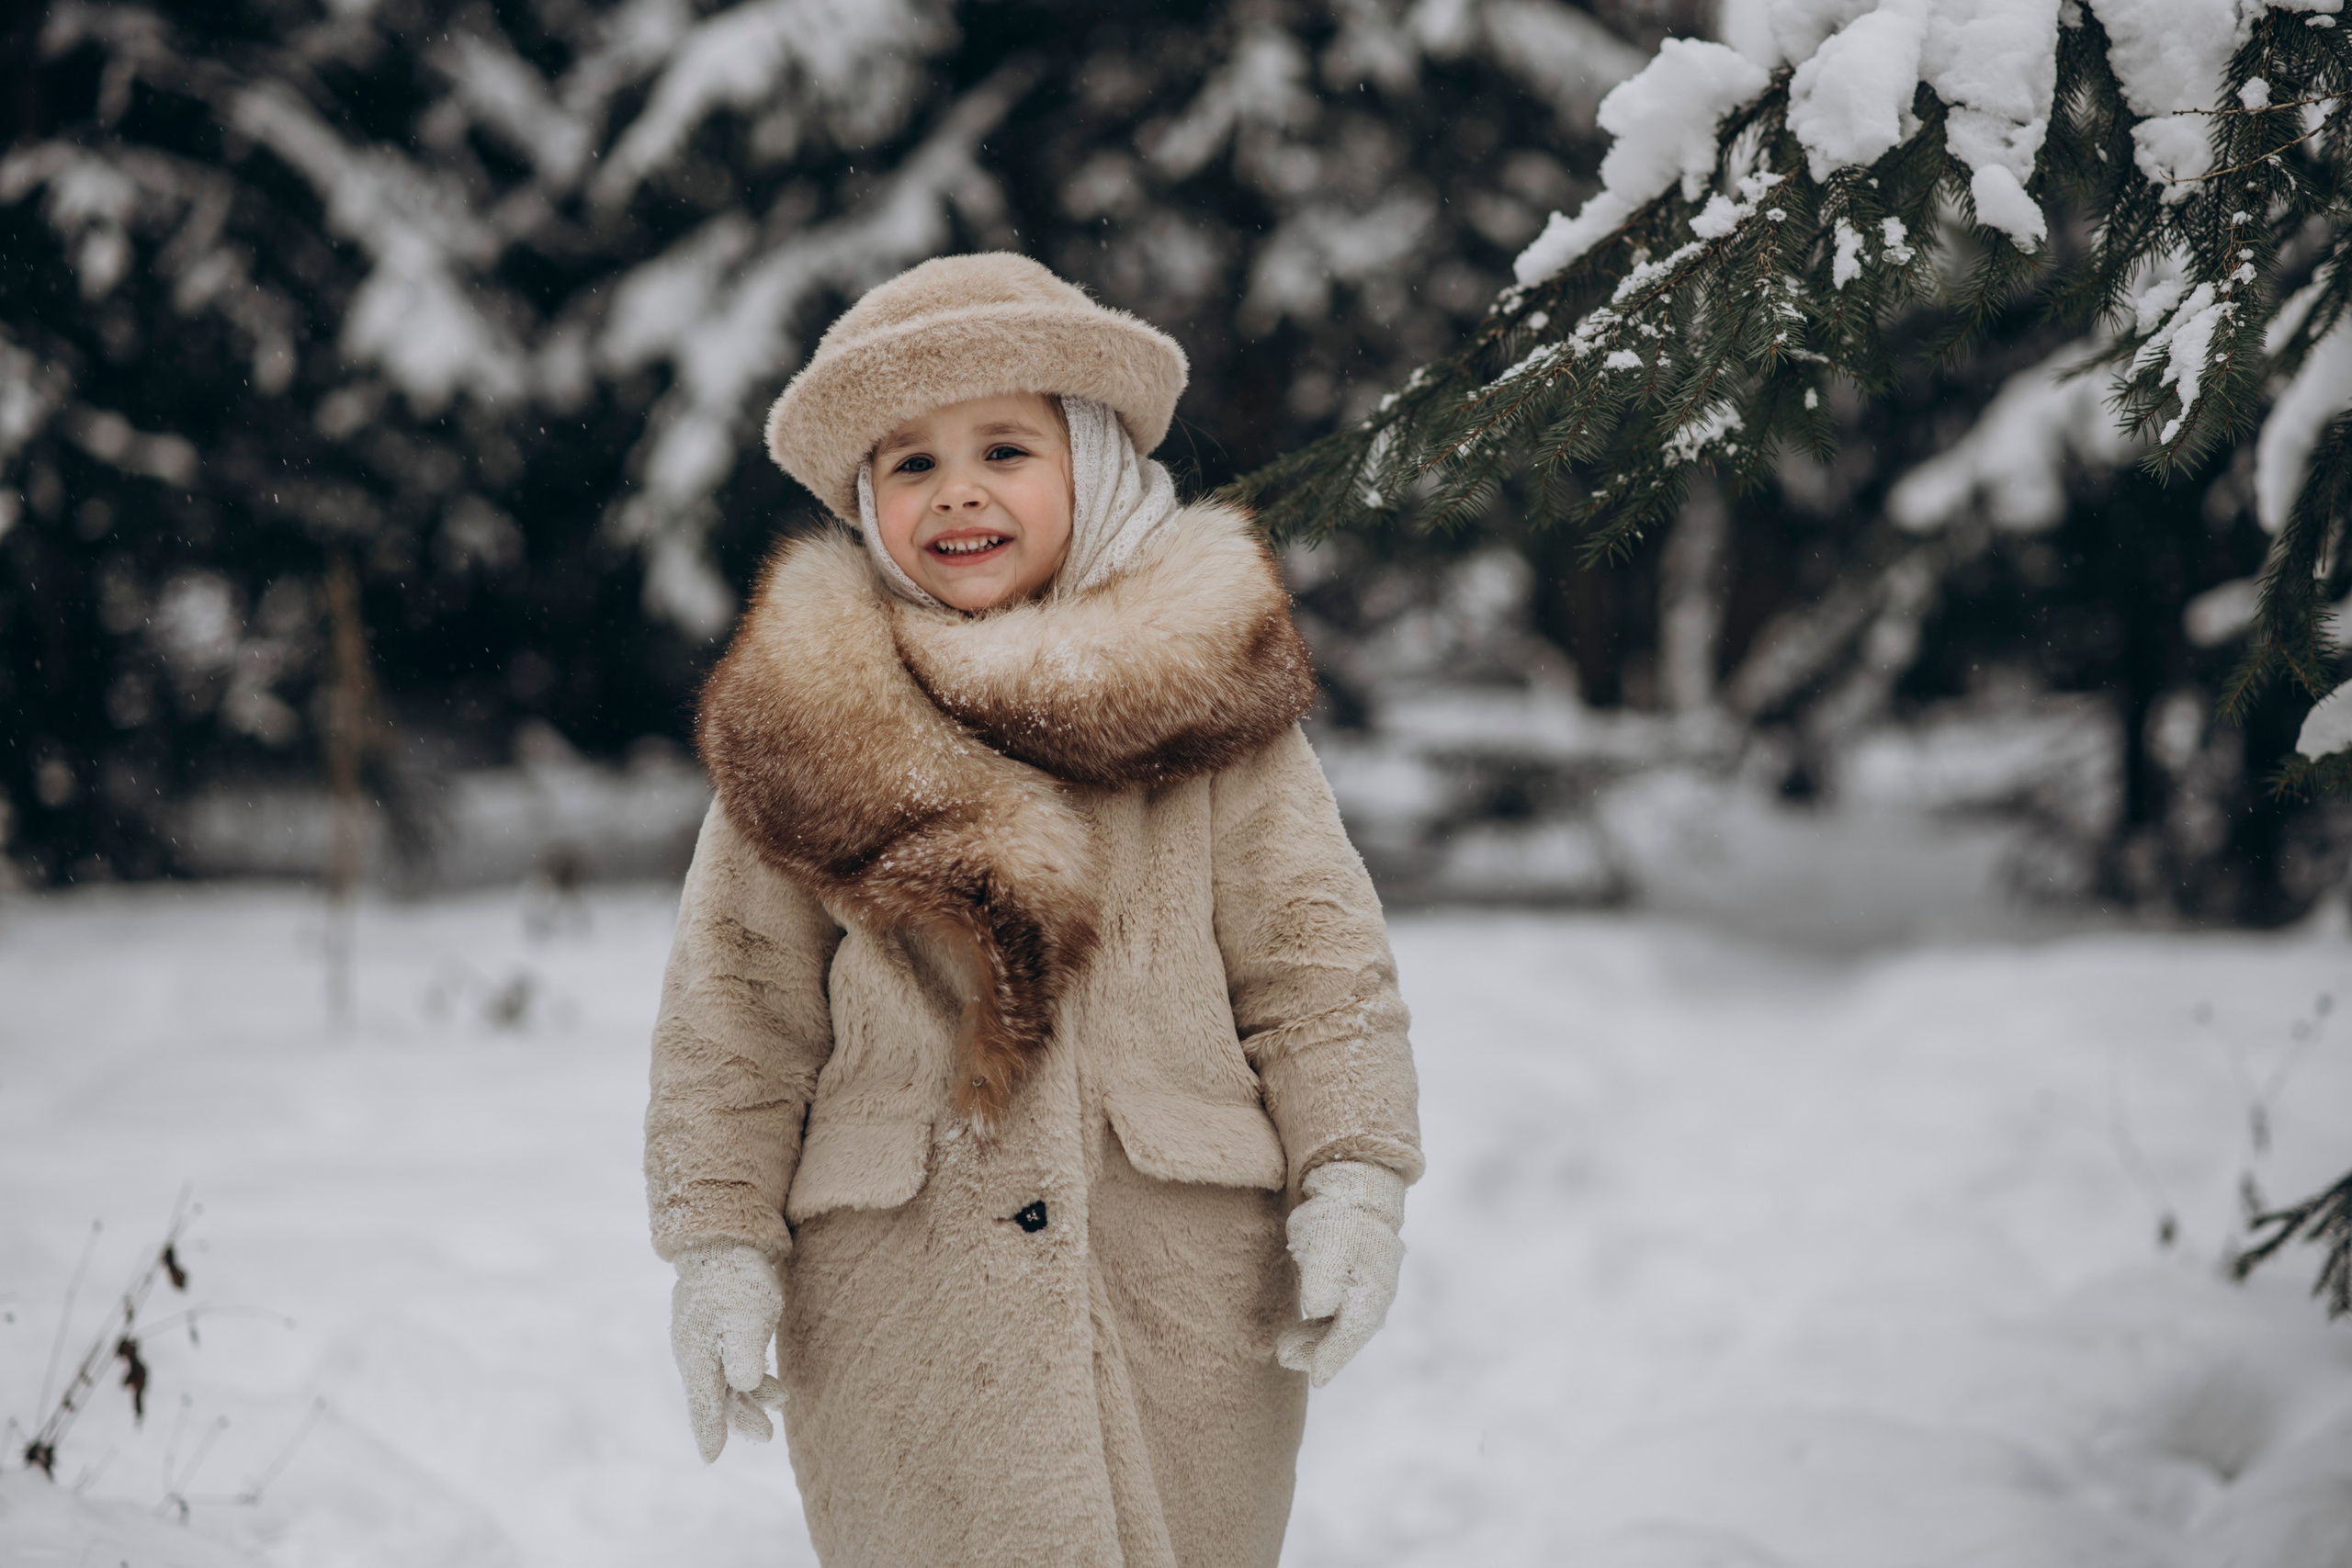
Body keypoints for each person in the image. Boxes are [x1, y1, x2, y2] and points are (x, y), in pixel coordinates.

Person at [643, 253, 1421, 1568]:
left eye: (1005, 448)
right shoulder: (806, 731)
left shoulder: (1209, 709)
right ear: (865, 501)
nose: (957, 490)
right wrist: (717, 1243)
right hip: (905, 1307)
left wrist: (1356, 1177)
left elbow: (1315, 965)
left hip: (1178, 1289)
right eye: (910, 464)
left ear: (1096, 464)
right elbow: (738, 1014)